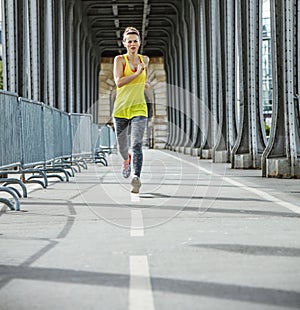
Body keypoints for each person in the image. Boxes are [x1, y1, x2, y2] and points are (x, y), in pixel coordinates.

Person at [112, 26, 150, 194]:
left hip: (139, 109)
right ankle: (126, 160)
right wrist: (137, 74)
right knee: (122, 147)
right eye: (130, 41)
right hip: (121, 109)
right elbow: (119, 82)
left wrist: (145, 83)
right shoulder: (119, 60)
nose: (133, 44)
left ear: (139, 42)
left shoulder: (145, 60)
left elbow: (144, 78)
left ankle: (136, 177)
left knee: (136, 144)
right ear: (124, 43)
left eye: (135, 41)